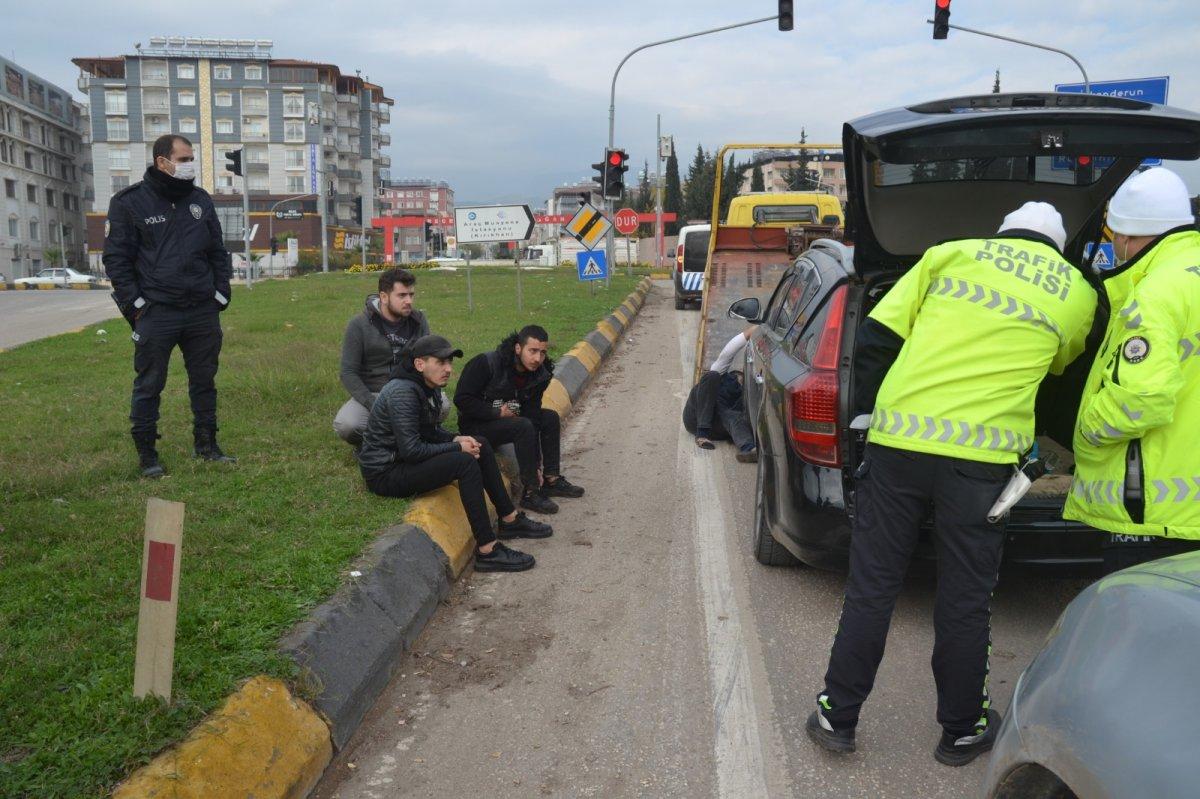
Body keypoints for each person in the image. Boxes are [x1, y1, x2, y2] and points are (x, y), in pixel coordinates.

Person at [806, 202, 1097, 766]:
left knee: (872, 587)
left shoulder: (950, 254)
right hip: (981, 466)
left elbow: (877, 338)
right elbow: (1060, 376)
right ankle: (962, 730)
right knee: (965, 599)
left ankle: (836, 717)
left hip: (898, 447)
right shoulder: (1078, 291)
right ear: (1058, 248)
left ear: (1003, 231)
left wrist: (865, 416)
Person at [1063, 167, 1200, 573]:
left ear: (1125, 236)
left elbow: (1141, 397)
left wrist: (1086, 432)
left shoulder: (1155, 292)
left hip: (1158, 516)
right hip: (1188, 509)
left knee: (1140, 612)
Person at [358, 335, 551, 572]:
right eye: (440, 362)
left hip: (402, 462)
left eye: (449, 362)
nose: (448, 369)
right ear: (420, 364)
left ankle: (509, 519)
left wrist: (455, 438)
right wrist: (457, 447)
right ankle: (488, 550)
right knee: (464, 462)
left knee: (479, 443)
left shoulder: (425, 386)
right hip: (385, 473)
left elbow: (429, 431)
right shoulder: (402, 392)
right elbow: (412, 450)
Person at [103, 133, 235, 478]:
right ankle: (147, 456)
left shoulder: (200, 200)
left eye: (192, 158)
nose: (190, 165)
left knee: (204, 381)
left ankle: (207, 445)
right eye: (184, 159)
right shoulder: (129, 202)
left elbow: (217, 251)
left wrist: (221, 293)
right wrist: (137, 305)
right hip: (157, 312)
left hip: (201, 310)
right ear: (162, 162)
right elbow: (116, 260)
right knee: (149, 384)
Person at [454, 325, 584, 514]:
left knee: (549, 417)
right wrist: (496, 413)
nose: (537, 358)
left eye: (542, 352)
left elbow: (533, 415)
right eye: (532, 351)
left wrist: (536, 464)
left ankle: (551, 479)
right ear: (518, 348)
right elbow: (461, 399)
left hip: (510, 421)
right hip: (476, 425)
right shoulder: (486, 363)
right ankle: (530, 493)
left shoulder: (540, 374)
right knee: (523, 426)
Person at [335, 268, 430, 447]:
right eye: (402, 295)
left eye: (411, 294)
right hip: (373, 393)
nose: (409, 301)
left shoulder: (418, 321)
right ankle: (388, 441)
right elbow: (348, 372)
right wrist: (374, 404)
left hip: (408, 390)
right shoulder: (358, 325)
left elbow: (428, 361)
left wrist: (421, 393)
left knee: (443, 407)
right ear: (384, 297)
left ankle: (398, 440)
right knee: (347, 425)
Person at [683, 327, 757, 462]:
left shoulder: (745, 396)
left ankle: (748, 449)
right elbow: (730, 350)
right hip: (695, 417)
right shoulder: (721, 375)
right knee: (711, 376)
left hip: (718, 426)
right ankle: (702, 433)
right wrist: (756, 328)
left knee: (733, 416)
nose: (740, 380)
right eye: (739, 377)